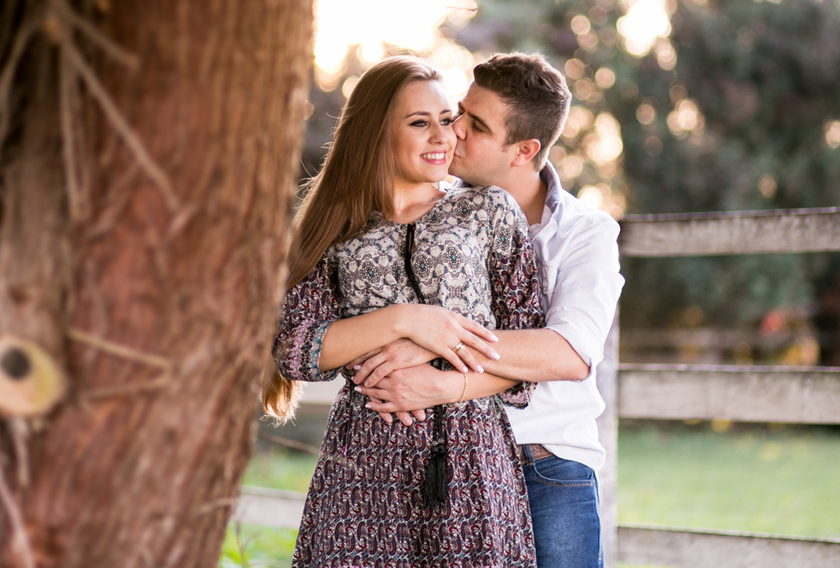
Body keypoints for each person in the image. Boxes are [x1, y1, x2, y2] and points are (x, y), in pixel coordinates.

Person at [262, 55, 546, 568]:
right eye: (420, 123)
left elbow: (524, 351)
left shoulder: (487, 210)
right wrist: (405, 320)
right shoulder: (337, 227)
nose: (443, 136)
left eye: (446, 120)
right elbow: (297, 350)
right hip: (363, 469)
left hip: (470, 465)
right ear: (376, 133)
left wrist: (444, 380)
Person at [352, 53, 624, 568]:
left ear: (524, 150)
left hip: (543, 464)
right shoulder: (427, 209)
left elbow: (567, 354)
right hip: (449, 459)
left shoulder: (586, 233)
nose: (452, 130)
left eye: (474, 126)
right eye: (459, 112)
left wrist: (438, 355)